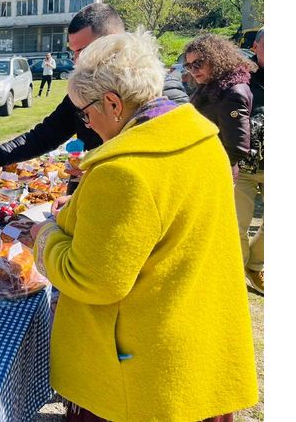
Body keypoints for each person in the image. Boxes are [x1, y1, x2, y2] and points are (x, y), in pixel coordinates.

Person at [32, 29, 257, 421]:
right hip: (195, 352)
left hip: (139, 380)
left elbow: (92, 279)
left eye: (85, 113)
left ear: (114, 103)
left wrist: (44, 236)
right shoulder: (199, 139)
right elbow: (165, 222)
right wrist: (85, 208)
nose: (86, 124)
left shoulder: (124, 170)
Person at [0, 3, 188, 195]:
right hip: (93, 194)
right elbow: (47, 133)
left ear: (114, 41)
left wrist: (96, 166)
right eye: (74, 52)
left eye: (85, 50)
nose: (77, 61)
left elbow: (167, 170)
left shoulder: (161, 95)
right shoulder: (85, 90)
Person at [185, 33, 257, 181]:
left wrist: (212, 169)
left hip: (217, 172)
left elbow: (238, 148)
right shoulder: (209, 87)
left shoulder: (231, 92)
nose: (193, 70)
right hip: (207, 168)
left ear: (216, 59)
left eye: (198, 63)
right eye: (189, 65)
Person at [234, 28, 264, 294]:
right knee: (238, 222)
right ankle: (235, 274)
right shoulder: (243, 80)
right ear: (256, 47)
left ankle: (254, 266)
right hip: (244, 167)